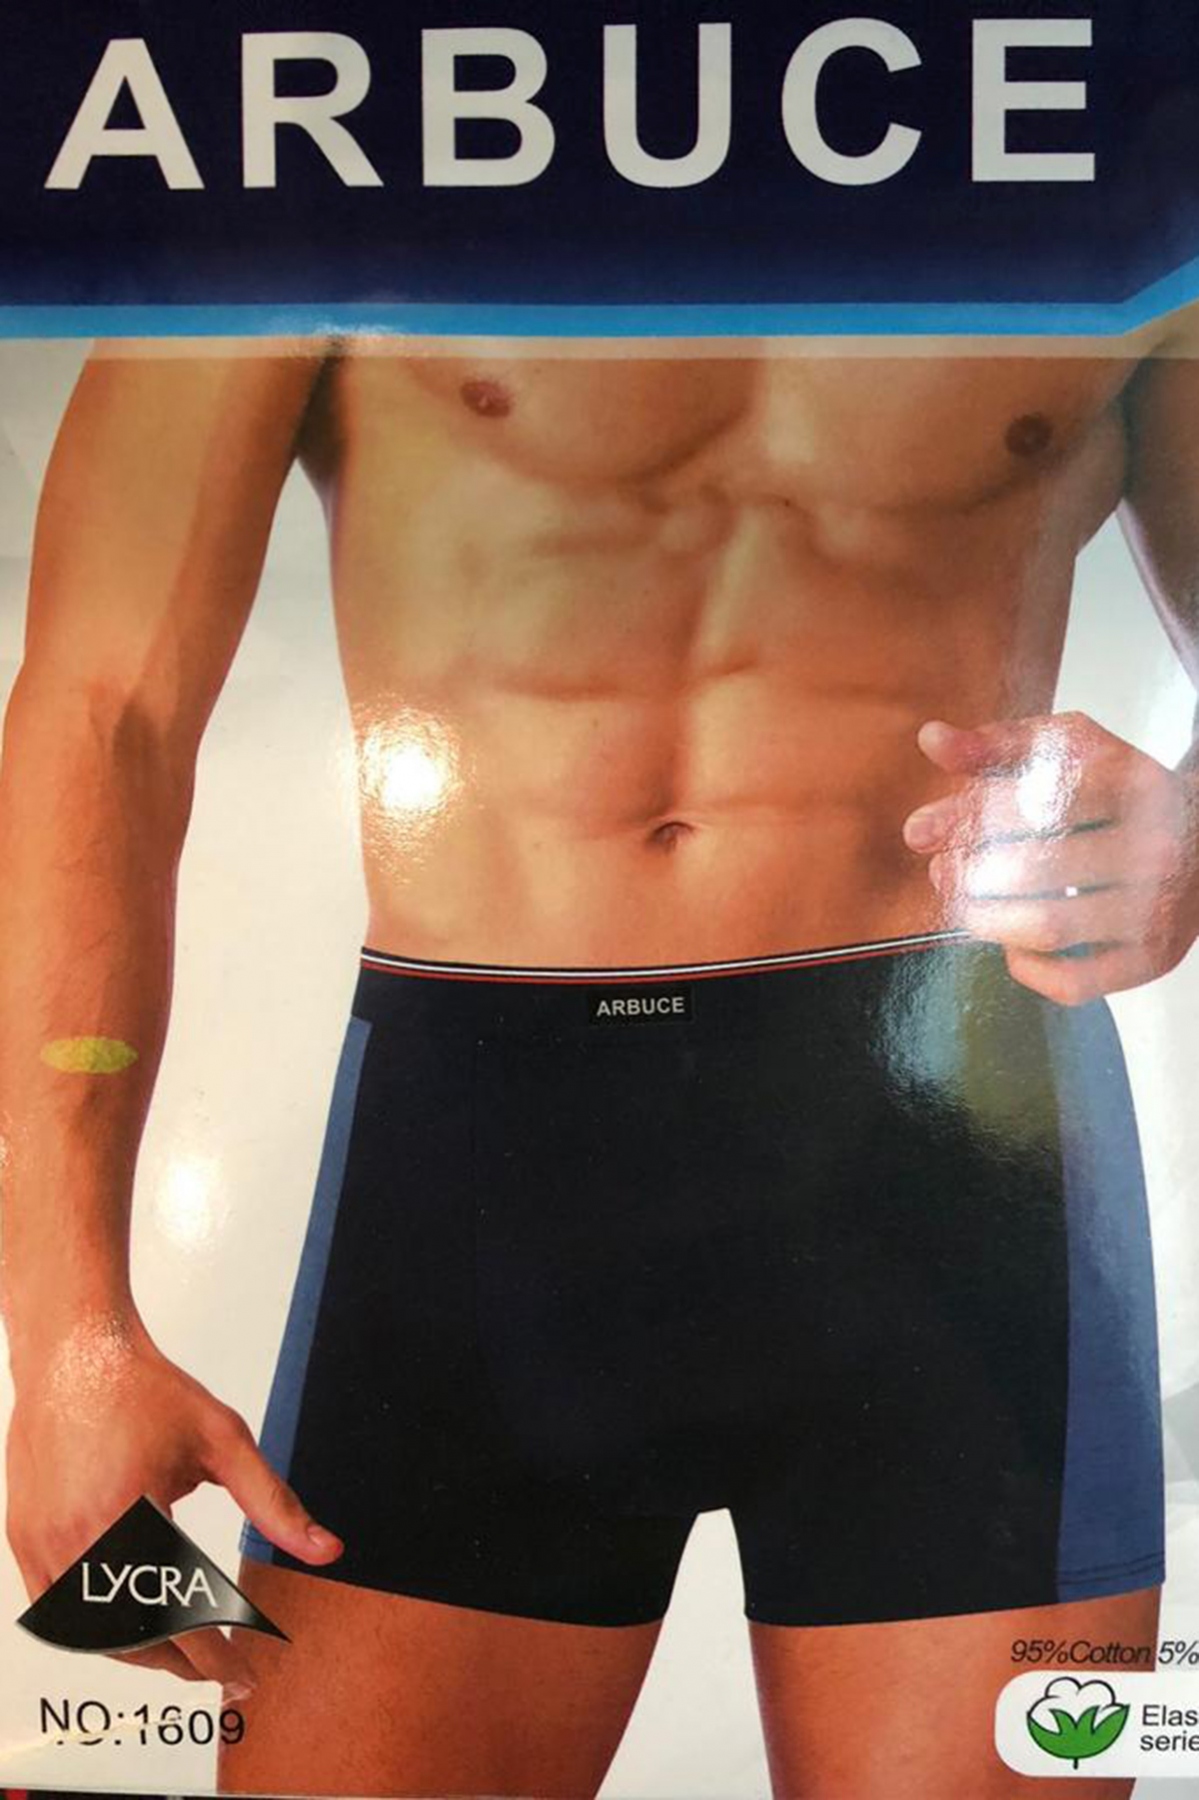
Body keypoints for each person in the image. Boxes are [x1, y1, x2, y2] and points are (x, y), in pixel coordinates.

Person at [2, 325, 1198, 1800]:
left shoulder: (1125, 196)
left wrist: (1189, 833)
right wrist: (68, 1336)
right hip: (486, 1168)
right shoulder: (288, 185)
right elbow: (105, 712)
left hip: (969, 1173)